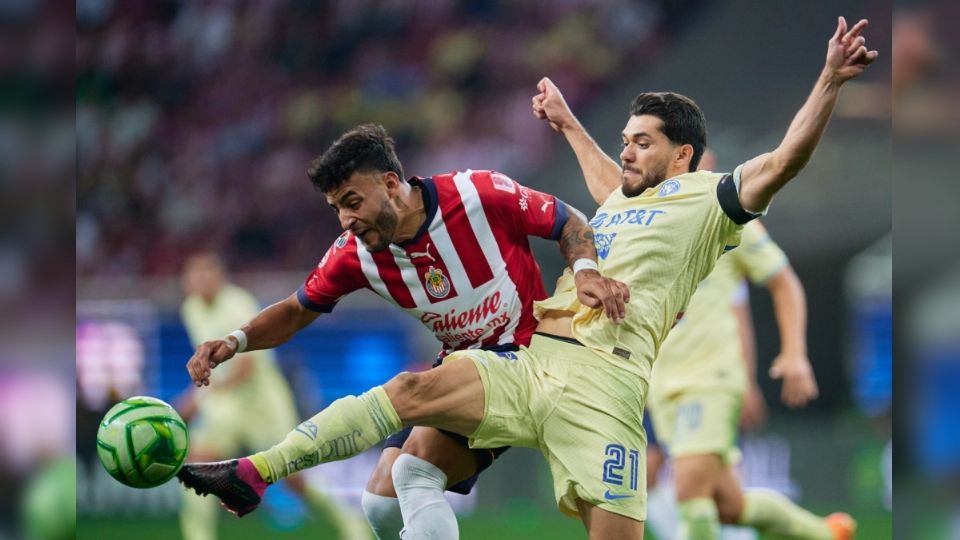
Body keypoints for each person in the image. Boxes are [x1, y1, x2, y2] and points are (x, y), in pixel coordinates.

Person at [178, 17, 876, 540]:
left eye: (642, 140)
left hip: (607, 387)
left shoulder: (711, 202)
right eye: (626, 136)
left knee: (677, 514)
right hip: (533, 358)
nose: (626, 148)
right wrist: (570, 125)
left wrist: (829, 81)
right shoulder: (627, 203)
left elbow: (783, 160)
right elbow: (600, 193)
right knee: (409, 394)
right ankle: (255, 472)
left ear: (682, 153)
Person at [178, 124, 620, 540]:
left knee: (407, 393)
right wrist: (233, 342)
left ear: (391, 184)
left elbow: (570, 220)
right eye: (336, 209)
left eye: (353, 202)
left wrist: (585, 271)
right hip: (468, 369)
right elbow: (296, 311)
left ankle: (258, 471)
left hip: (533, 361)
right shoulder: (355, 254)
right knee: (383, 501)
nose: (346, 220)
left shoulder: (476, 194)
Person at [174, 252, 370, 540]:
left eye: (206, 273)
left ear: (220, 276)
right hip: (227, 405)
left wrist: (197, 398)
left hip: (263, 403)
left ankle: (351, 524)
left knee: (294, 479)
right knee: (197, 467)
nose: (200, 280)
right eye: (194, 274)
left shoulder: (237, 303)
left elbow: (245, 367)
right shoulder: (191, 309)